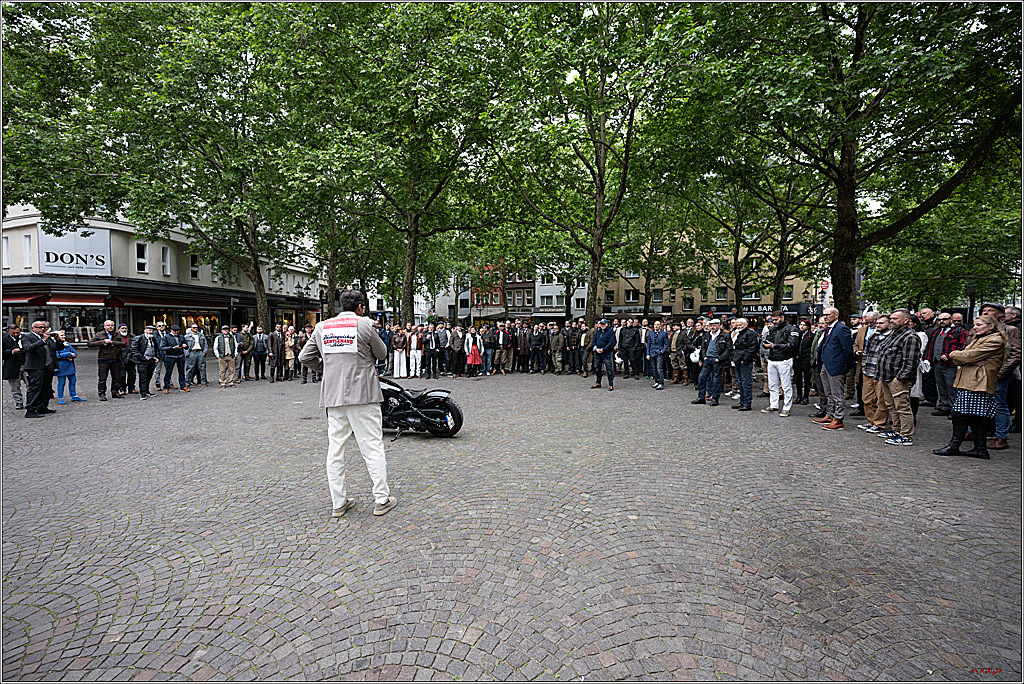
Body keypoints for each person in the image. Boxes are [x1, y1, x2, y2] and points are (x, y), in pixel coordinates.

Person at [297, 290, 397, 518]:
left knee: (336, 450)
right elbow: (382, 354)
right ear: (360, 307)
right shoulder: (364, 324)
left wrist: (327, 369)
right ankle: (381, 499)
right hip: (363, 395)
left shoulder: (322, 327)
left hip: (334, 397)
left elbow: (304, 357)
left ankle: (338, 502)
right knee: (372, 446)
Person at [933, 315, 1006, 459]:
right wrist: (965, 358)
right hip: (971, 381)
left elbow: (967, 356)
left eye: (979, 325)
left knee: (960, 415)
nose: (975, 328)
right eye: (975, 324)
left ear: (991, 326)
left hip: (978, 382)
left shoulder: (995, 340)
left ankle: (955, 446)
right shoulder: (981, 338)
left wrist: (955, 354)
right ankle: (979, 449)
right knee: (974, 417)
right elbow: (964, 357)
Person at [978, 303, 1022, 451]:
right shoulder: (978, 329)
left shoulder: (1010, 330)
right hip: (979, 372)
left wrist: (1002, 372)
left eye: (990, 310)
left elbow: (1016, 354)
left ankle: (1001, 437)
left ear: (1000, 315)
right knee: (977, 402)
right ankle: (974, 431)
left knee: (999, 403)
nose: (985, 312)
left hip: (997, 374)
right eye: (984, 310)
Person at [874, 309, 922, 445]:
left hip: (898, 379)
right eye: (891, 318)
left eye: (895, 318)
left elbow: (911, 362)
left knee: (902, 407)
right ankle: (896, 429)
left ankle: (906, 435)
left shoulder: (910, 337)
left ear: (906, 320)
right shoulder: (894, 333)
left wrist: (900, 379)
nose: (892, 321)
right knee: (892, 406)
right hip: (886, 376)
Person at [814, 307, 854, 430]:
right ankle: (830, 415)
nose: (825, 317)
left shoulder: (841, 329)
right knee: (828, 393)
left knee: (837, 394)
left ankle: (838, 418)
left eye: (828, 315)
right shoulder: (828, 329)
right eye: (824, 315)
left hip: (836, 366)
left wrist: (845, 365)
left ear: (836, 315)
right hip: (825, 364)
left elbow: (847, 349)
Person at [924, 312, 967, 417]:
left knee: (951, 387)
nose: (941, 321)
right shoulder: (936, 331)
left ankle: (954, 409)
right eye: (939, 320)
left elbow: (963, 346)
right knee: (941, 386)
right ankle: (945, 406)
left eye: (944, 319)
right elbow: (930, 346)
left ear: (950, 320)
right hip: (937, 362)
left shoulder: (959, 331)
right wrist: (928, 359)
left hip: (950, 364)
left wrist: (949, 355)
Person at [856, 314, 892, 434]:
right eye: (877, 323)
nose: (878, 325)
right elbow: (866, 352)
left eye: (881, 323)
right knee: (866, 398)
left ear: (889, 324)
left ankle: (879, 423)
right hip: (868, 371)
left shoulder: (892, 337)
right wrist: (864, 366)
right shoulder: (873, 336)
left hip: (882, 373)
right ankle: (871, 421)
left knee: (881, 400)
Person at [762, 310, 799, 417]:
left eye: (776, 319)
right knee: (772, 384)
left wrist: (774, 346)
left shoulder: (791, 329)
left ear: (782, 318)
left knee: (786, 385)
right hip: (772, 358)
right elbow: (768, 340)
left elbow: (792, 345)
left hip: (784, 359)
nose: (774, 322)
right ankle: (774, 404)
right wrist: (765, 344)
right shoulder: (773, 329)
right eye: (773, 320)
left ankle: (787, 407)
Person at [19, 321, 56, 418]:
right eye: (39, 327)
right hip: (35, 367)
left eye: (44, 327)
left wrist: (59, 340)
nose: (42, 329)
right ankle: (31, 410)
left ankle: (42, 407)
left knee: (46, 388)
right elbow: (28, 348)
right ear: (33, 328)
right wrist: (43, 340)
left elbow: (55, 348)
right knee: (34, 389)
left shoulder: (46, 337)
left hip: (47, 367)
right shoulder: (27, 337)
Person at [692, 318, 732, 406]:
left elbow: (729, 349)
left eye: (714, 325)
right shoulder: (707, 335)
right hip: (707, 359)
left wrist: (720, 358)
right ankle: (701, 397)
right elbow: (703, 347)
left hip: (717, 360)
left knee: (716, 380)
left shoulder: (725, 335)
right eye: (711, 325)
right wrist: (704, 357)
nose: (712, 327)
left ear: (719, 325)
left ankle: (715, 399)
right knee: (701, 378)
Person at [87, 320, 127, 401]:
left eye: (112, 325)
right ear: (105, 326)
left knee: (116, 377)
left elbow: (124, 344)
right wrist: (103, 342)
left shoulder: (117, 334)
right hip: (104, 359)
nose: (110, 327)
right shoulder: (99, 334)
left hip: (116, 359)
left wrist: (113, 342)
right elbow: (90, 343)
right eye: (108, 325)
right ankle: (102, 394)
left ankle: (115, 392)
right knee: (102, 378)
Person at [730, 318, 759, 411]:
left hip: (744, 361)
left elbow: (752, 348)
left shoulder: (750, 334)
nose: (738, 327)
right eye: (737, 325)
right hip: (738, 360)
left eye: (740, 325)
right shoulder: (740, 333)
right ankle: (742, 402)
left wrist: (745, 359)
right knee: (740, 382)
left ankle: (747, 403)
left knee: (746, 382)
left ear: (746, 325)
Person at [53, 331, 85, 405]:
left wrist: (72, 355)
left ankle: (74, 395)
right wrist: (69, 354)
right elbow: (56, 355)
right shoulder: (54, 345)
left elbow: (75, 353)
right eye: (61, 335)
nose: (64, 336)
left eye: (64, 335)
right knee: (61, 382)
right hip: (61, 366)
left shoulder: (67, 344)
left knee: (73, 380)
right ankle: (60, 397)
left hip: (69, 365)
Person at [130, 324, 160, 399]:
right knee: (143, 377)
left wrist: (156, 357)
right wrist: (142, 357)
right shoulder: (139, 338)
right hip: (143, 361)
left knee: (149, 376)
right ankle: (142, 394)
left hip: (151, 360)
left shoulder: (153, 339)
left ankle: (146, 391)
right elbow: (133, 349)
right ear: (145, 331)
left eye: (153, 330)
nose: (151, 332)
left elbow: (156, 348)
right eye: (149, 330)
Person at [160, 324, 189, 393]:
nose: (176, 332)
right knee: (168, 372)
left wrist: (185, 346)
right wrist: (172, 348)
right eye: (175, 331)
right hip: (170, 356)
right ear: (171, 330)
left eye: (178, 331)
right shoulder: (166, 337)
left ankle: (183, 386)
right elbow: (162, 347)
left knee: (181, 372)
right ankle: (166, 387)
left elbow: (187, 346)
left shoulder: (181, 336)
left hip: (180, 356)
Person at [3, 324, 25, 410]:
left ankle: (32, 401)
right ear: (8, 331)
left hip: (25, 364)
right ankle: (19, 402)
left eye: (17, 333)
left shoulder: (23, 338)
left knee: (31, 384)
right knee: (15, 386)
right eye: (13, 333)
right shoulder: (4, 340)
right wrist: (12, 352)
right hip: (12, 365)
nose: (16, 334)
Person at [590, 318, 616, 391]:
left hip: (606, 353)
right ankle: (598, 382)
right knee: (598, 368)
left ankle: (610, 384)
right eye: (601, 324)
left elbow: (611, 342)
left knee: (609, 369)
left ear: (607, 324)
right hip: (598, 353)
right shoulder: (598, 332)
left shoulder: (610, 332)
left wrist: (603, 349)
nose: (602, 325)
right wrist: (595, 348)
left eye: (604, 324)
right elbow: (594, 340)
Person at [793, 319, 814, 405]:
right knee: (798, 378)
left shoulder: (811, 336)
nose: (801, 327)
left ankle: (805, 396)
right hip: (797, 358)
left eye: (804, 325)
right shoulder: (798, 335)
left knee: (806, 378)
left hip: (806, 358)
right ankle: (799, 396)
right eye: (801, 325)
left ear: (808, 327)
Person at [645, 320, 668, 390]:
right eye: (655, 324)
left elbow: (667, 344)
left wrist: (662, 351)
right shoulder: (651, 333)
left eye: (658, 324)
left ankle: (661, 383)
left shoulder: (664, 333)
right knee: (654, 368)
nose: (656, 326)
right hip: (652, 352)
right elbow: (648, 344)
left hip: (659, 353)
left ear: (660, 325)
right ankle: (657, 381)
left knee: (659, 368)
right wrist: (647, 354)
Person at [117, 323, 138, 395]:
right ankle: (122, 389)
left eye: (125, 328)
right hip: (121, 357)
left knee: (132, 374)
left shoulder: (132, 336)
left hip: (131, 357)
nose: (124, 330)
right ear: (119, 329)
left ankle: (131, 388)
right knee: (122, 375)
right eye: (122, 328)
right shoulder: (116, 337)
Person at [153, 321, 169, 390]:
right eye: (159, 326)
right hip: (159, 354)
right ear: (156, 328)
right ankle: (158, 384)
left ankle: (169, 383)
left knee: (169, 369)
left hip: (168, 354)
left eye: (163, 325)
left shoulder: (168, 334)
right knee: (157, 370)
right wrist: (156, 355)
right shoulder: (154, 335)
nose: (161, 327)